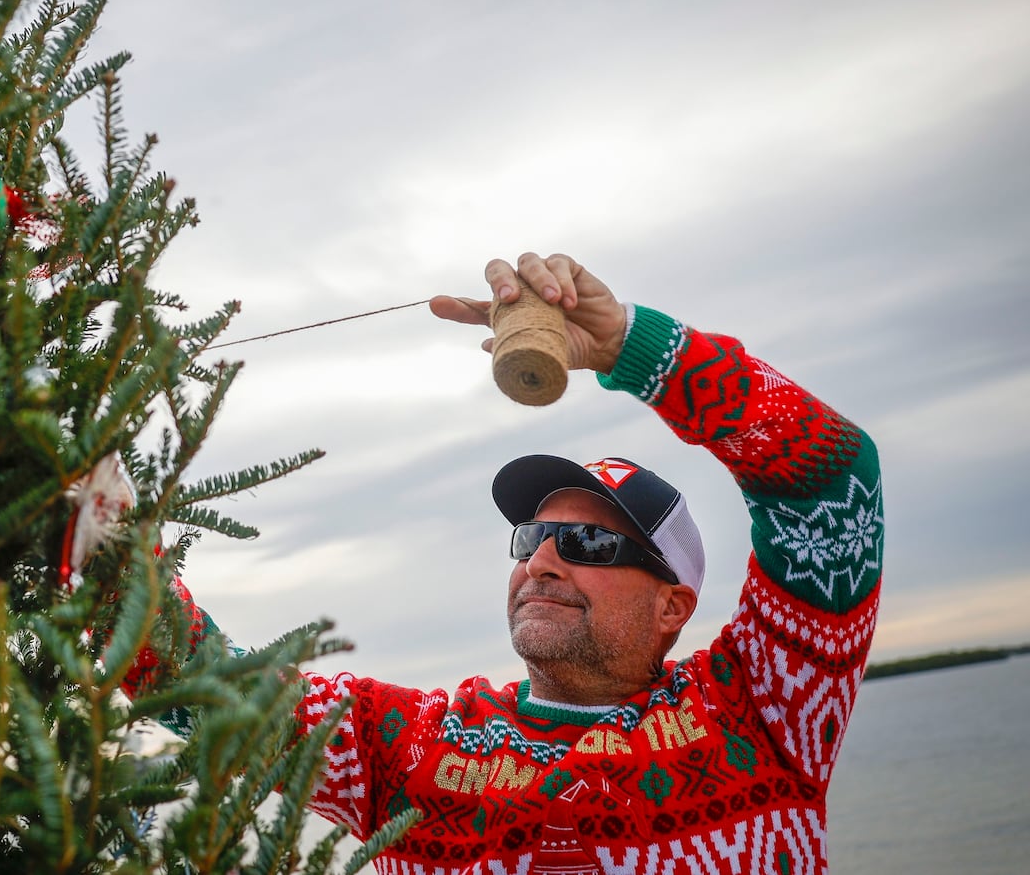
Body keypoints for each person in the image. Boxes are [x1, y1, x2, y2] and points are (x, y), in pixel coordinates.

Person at [132, 252, 883, 875]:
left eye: (589, 544)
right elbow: (195, 677)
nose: (545, 559)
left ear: (672, 608)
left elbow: (832, 482)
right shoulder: (407, 744)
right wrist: (87, 505)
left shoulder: (762, 707)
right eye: (531, 538)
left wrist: (634, 347)